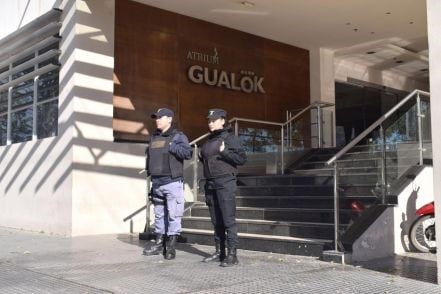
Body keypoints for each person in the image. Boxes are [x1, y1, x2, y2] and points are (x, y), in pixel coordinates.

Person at [143, 108, 193, 260]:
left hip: (172, 182)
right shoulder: (153, 137)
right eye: (156, 118)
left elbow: (188, 153)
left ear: (169, 119)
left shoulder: (178, 136)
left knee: (173, 215)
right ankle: (159, 245)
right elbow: (149, 159)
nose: (157, 120)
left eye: (160, 117)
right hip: (157, 182)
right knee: (159, 216)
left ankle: (170, 247)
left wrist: (172, 146)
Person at [199, 109, 247, 267]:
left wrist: (224, 152)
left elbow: (241, 159)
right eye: (209, 120)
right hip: (211, 184)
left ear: (222, 120)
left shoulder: (230, 139)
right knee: (216, 221)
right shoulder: (208, 141)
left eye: (213, 120)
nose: (210, 123)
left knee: (228, 220)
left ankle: (232, 254)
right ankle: (220, 252)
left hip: (225, 183)